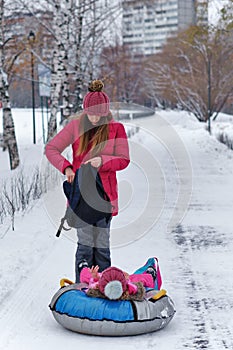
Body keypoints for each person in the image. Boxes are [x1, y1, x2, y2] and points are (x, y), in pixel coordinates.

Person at [45, 79, 130, 282]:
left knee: (101, 248)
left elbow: (124, 159)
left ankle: (105, 288)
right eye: (91, 113)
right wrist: (66, 167)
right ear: (85, 110)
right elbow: (51, 149)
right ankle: (83, 288)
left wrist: (103, 161)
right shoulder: (75, 127)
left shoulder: (116, 129)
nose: (94, 118)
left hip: (105, 199)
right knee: (84, 247)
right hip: (81, 198)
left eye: (99, 114)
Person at [79, 265, 158, 300]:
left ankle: (83, 267)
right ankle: (150, 275)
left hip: (105, 281)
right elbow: (135, 287)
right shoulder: (129, 288)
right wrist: (127, 279)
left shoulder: (97, 287)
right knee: (138, 279)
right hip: (120, 281)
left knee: (87, 276)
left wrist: (95, 278)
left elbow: (91, 286)